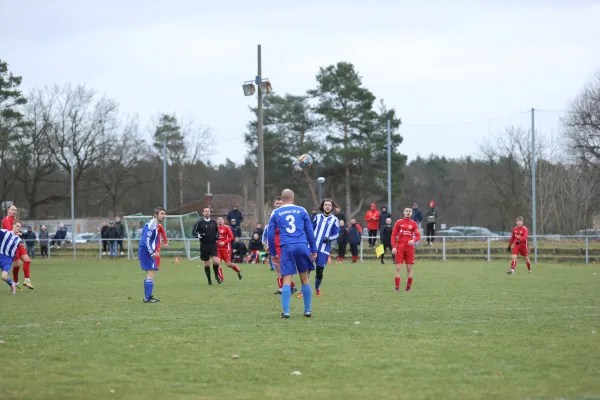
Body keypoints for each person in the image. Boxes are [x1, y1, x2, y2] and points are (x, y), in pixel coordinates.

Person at [268, 189, 317, 318]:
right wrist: (313, 250)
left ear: (282, 200)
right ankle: (307, 310)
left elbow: (270, 235)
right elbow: (310, 231)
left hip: (287, 247)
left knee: (287, 279)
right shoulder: (302, 210)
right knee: (305, 278)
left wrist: (273, 253)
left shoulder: (276, 212)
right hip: (301, 245)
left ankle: (286, 312)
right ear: (293, 198)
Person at [262, 196, 297, 295]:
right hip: (275, 244)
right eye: (277, 203)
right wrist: (269, 244)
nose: (278, 205)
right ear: (274, 204)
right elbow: (270, 231)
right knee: (277, 266)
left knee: (283, 266)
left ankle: (290, 286)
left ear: (283, 204)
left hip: (284, 244)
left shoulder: (285, 214)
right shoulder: (273, 214)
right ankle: (284, 287)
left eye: (280, 203)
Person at [312, 198, 340, 296]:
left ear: (332, 207)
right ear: (322, 206)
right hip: (312, 247)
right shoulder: (317, 217)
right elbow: (311, 229)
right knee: (306, 269)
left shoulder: (334, 220)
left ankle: (317, 288)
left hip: (324, 249)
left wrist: (329, 238)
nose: (327, 206)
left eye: (329, 205)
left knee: (319, 270)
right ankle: (303, 290)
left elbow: (337, 234)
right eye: (326, 205)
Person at [138, 206, 166, 303]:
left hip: (146, 250)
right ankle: (148, 297)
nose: (163, 216)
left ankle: (147, 297)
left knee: (151, 273)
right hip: (147, 251)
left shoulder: (154, 224)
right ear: (155, 215)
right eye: (161, 214)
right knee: (151, 273)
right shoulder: (152, 224)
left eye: (164, 214)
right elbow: (146, 240)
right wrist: (151, 252)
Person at [2, 205, 33, 290]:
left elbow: (17, 231)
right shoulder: (6, 219)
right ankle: (15, 283)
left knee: (27, 260)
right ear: (8, 210)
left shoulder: (15, 220)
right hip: (11, 245)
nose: (14, 211)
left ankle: (27, 280)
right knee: (17, 264)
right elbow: (12, 232)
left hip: (18, 243)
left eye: (15, 210)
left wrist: (19, 232)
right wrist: (20, 233)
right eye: (12, 209)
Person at [391, 207, 421, 292]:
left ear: (411, 213)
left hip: (409, 249)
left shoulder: (414, 223)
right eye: (407, 211)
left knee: (409, 269)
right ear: (404, 213)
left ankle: (408, 288)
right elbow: (393, 235)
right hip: (400, 248)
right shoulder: (399, 222)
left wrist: (413, 240)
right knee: (398, 268)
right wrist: (393, 247)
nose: (408, 212)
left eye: (410, 211)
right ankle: (397, 288)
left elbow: (418, 236)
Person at [192, 207, 221, 285]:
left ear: (210, 212)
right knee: (207, 264)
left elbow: (217, 232)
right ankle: (209, 280)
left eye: (208, 211)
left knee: (216, 261)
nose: (207, 212)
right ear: (203, 213)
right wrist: (198, 235)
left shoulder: (213, 222)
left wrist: (217, 237)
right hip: (204, 245)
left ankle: (216, 276)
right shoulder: (200, 222)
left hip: (213, 244)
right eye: (206, 211)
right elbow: (194, 232)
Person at [216, 217, 243, 281]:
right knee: (217, 263)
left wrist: (224, 242)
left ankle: (238, 271)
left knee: (228, 264)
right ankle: (221, 279)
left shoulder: (227, 227)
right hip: (218, 248)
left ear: (223, 221)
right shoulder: (215, 228)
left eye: (221, 219)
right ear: (217, 221)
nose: (220, 220)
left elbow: (232, 237)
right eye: (219, 219)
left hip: (226, 248)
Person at [0, 226, 20, 294]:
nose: (18, 228)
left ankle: (12, 284)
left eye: (20, 227)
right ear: (13, 226)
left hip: (8, 259)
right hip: (0, 255)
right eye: (17, 226)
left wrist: (11, 259)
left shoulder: (18, 240)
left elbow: (14, 251)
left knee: (3, 277)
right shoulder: (5, 232)